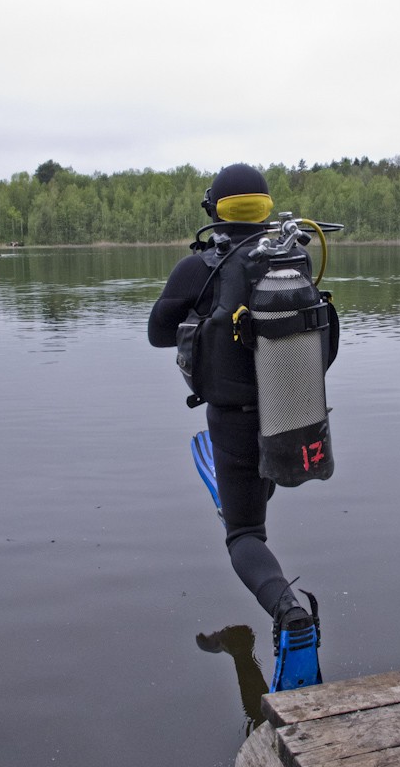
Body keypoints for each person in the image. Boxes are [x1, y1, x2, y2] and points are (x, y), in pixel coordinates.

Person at [148, 163, 334, 690]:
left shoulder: (200, 267)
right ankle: (255, 489)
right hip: (296, 416)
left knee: (245, 535)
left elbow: (158, 335)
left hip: (232, 425)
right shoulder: (292, 260)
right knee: (256, 487)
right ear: (266, 207)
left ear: (215, 209)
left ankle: (289, 612)